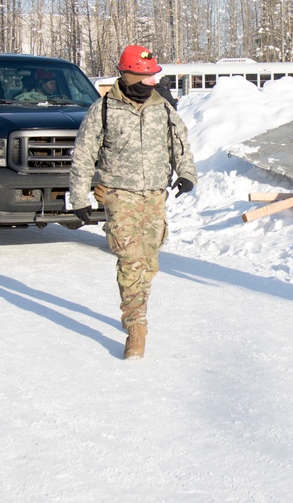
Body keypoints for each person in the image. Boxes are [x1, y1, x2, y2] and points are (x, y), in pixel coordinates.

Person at [68, 45, 197, 360]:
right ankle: (136, 325)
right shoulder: (103, 110)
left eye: (153, 76)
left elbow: (179, 140)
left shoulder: (162, 106)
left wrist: (187, 173)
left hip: (154, 194)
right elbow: (84, 154)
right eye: (145, 76)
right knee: (131, 261)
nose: (151, 82)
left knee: (149, 261)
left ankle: (138, 305)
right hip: (120, 195)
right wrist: (79, 196)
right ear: (126, 74)